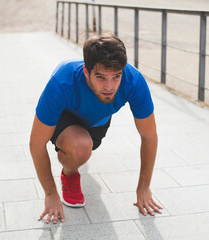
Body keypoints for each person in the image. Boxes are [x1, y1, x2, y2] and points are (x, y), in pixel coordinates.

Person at [29, 33, 162, 224]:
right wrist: (50, 193)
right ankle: (70, 174)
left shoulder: (133, 80)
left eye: (116, 76)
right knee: (80, 147)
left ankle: (78, 153)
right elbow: (36, 144)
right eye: (100, 77)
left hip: (97, 121)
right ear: (86, 72)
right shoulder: (62, 81)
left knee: (87, 145)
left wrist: (144, 186)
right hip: (65, 116)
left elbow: (149, 136)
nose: (109, 86)